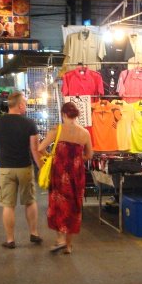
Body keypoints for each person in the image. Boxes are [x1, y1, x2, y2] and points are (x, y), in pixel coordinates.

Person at [0, 91, 43, 248]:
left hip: (6, 169)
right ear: (20, 105)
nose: (25, 105)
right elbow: (35, 149)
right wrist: (42, 168)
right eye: (24, 103)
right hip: (25, 168)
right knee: (30, 202)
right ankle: (34, 233)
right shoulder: (30, 123)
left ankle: (10, 239)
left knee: (8, 206)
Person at [38, 102, 93, 254]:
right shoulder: (85, 133)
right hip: (77, 174)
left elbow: (40, 148)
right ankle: (68, 246)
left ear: (63, 114)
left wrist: (51, 156)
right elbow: (89, 155)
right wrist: (75, 158)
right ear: (77, 115)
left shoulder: (57, 129)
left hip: (60, 173)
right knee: (73, 207)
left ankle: (60, 239)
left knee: (59, 205)